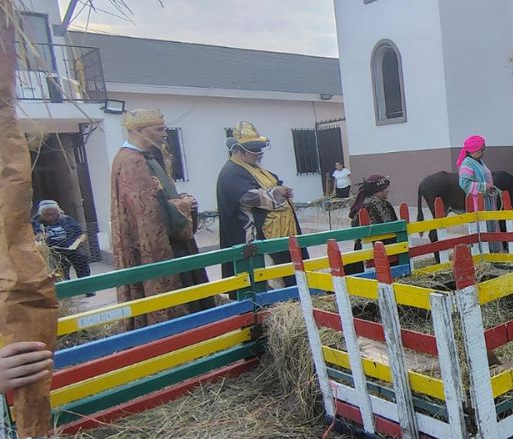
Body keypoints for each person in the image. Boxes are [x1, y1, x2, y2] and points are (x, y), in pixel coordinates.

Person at [110, 108, 212, 329]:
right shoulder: (131, 163)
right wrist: (183, 205)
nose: (164, 134)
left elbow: (160, 198)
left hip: (174, 243)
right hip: (161, 248)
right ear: (138, 130)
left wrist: (180, 200)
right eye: (159, 129)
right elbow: (148, 214)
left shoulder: (148, 159)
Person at [216, 121, 307, 284]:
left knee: (287, 274)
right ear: (239, 151)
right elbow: (248, 197)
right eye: (254, 149)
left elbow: (273, 184)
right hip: (254, 238)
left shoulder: (256, 168)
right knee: (265, 278)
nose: (259, 154)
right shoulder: (231, 173)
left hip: (280, 234)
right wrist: (277, 193)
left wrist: (282, 189)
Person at [345, 174, 399, 275]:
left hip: (376, 246)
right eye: (384, 189)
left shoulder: (383, 204)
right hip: (375, 248)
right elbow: (390, 226)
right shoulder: (372, 206)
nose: (387, 191)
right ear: (377, 192)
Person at [31, 200, 91, 286]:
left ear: (58, 212)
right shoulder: (36, 222)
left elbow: (81, 235)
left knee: (81, 258)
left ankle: (87, 286)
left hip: (71, 249)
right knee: (59, 266)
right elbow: (37, 237)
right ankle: (66, 288)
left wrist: (77, 242)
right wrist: (41, 237)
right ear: (41, 214)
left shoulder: (67, 219)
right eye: (47, 215)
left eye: (53, 214)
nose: (50, 217)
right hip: (52, 251)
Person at [457, 135, 502, 249]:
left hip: (488, 201)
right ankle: (484, 253)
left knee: (491, 227)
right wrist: (483, 187)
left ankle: (494, 253)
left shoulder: (479, 161)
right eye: (481, 150)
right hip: (478, 202)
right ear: (473, 150)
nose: (484, 152)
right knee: (482, 228)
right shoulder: (467, 163)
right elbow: (464, 184)